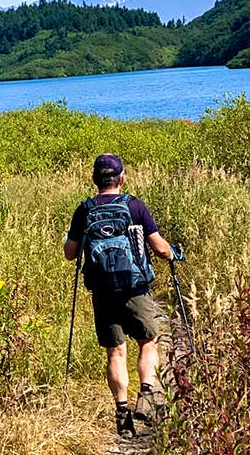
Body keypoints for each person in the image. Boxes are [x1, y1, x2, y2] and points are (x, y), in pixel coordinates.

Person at [63, 153, 183, 437]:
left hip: (102, 291)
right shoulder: (135, 206)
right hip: (135, 287)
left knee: (115, 352)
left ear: (95, 180)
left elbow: (70, 254)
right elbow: (160, 248)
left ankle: (121, 411)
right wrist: (174, 253)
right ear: (122, 178)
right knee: (149, 340)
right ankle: (146, 395)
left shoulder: (85, 210)